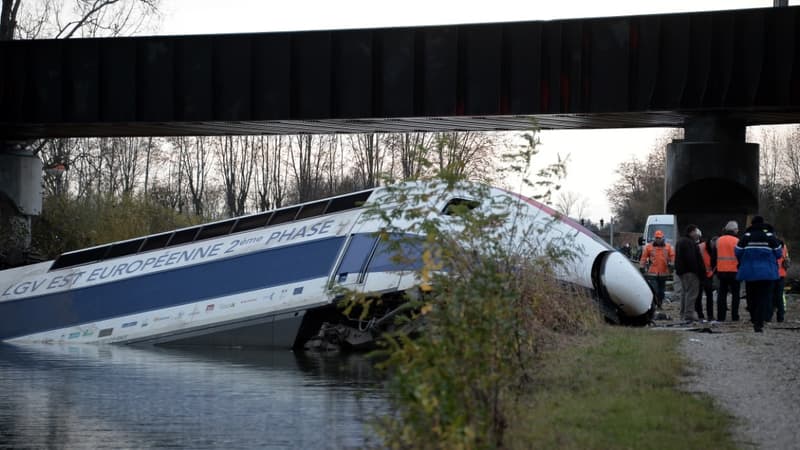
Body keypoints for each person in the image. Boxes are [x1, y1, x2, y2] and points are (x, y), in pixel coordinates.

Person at [735, 216, 783, 333]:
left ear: (752, 224)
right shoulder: (770, 236)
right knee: (763, 297)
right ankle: (759, 323)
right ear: (763, 224)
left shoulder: (746, 236)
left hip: (750, 272)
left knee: (751, 296)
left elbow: (738, 251)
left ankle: (753, 317)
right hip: (767, 273)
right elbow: (778, 253)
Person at [675, 225, 705, 321]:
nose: (697, 235)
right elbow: (691, 259)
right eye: (696, 232)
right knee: (692, 294)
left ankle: (683, 314)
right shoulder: (689, 243)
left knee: (685, 293)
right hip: (690, 272)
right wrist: (697, 271)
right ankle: (689, 314)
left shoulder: (680, 241)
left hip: (682, 272)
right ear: (691, 232)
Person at [639, 229, 675, 308]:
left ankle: (660, 303)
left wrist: (672, 265)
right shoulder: (649, 247)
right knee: (655, 290)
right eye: (657, 238)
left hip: (663, 272)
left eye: (660, 238)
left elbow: (672, 256)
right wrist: (642, 267)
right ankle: (654, 304)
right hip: (652, 272)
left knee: (661, 292)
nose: (658, 239)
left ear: (663, 238)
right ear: (655, 238)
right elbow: (643, 258)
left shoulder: (668, 247)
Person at [716, 221, 740, 321]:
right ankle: (734, 316)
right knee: (735, 295)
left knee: (722, 294)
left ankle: (721, 317)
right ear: (734, 230)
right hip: (734, 271)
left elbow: (714, 256)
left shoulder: (719, 240)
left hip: (721, 271)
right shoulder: (737, 241)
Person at [695, 234, 716, 320]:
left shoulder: (715, 249)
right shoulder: (700, 247)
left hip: (709, 274)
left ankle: (710, 315)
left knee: (709, 296)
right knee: (699, 296)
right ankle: (700, 314)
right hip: (700, 274)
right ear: (711, 242)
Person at [768, 238, 789, 323]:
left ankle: (768, 316)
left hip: (772, 274)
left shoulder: (770, 246)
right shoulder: (784, 246)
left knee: (770, 296)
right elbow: (786, 259)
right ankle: (780, 317)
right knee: (779, 296)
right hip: (782, 274)